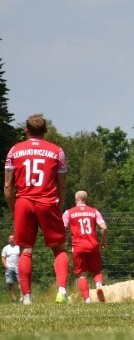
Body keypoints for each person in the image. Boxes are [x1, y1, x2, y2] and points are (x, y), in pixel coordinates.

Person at [3, 114, 71, 305]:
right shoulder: (57, 151)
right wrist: (59, 203)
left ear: (26, 131)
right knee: (59, 248)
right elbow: (62, 185)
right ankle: (62, 291)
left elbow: (8, 187)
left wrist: (13, 208)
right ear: (45, 132)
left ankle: (26, 296)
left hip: (24, 201)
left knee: (25, 249)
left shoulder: (14, 151)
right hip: (48, 201)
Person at [62, 190, 108, 303]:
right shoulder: (94, 211)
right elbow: (104, 228)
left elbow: (62, 228)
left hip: (78, 246)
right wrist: (103, 242)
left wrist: (66, 239)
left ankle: (87, 299)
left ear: (75, 199)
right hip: (93, 245)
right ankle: (99, 286)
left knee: (82, 274)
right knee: (96, 271)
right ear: (86, 199)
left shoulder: (69, 212)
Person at [2, 234, 20, 303]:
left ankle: (22, 297)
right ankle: (13, 298)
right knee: (10, 282)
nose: (12, 239)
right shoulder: (6, 248)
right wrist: (6, 266)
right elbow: (3, 257)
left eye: (13, 238)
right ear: (8, 240)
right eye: (10, 238)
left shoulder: (18, 247)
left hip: (18, 267)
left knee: (20, 282)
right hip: (9, 267)